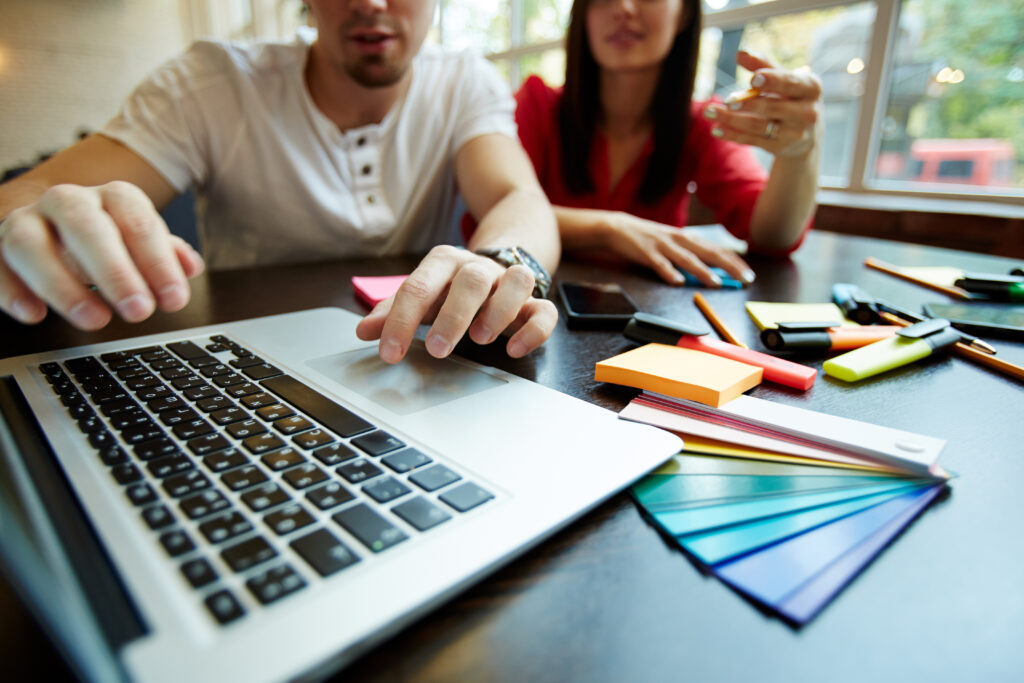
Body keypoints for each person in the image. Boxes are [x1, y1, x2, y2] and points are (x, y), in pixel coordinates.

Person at [0, 0, 559, 364]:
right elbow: (24, 196)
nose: (370, 4)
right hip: (239, 364)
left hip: (421, 362)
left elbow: (516, 196)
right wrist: (32, 226)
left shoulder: (465, 80)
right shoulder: (212, 82)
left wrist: (506, 261)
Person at [513, 0, 822, 287]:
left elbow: (772, 237)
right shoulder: (535, 105)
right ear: (584, 15)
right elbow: (495, 212)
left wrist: (799, 154)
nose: (624, 7)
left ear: (684, 13)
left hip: (651, 317)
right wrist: (611, 230)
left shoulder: (703, 122)